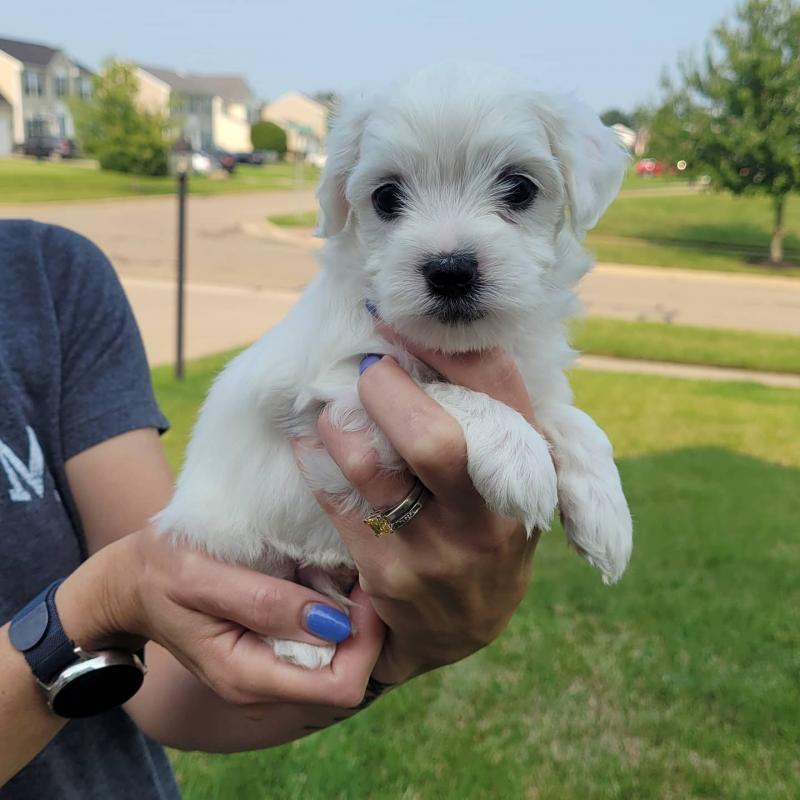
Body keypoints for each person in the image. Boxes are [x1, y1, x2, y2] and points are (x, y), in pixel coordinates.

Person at [0, 219, 540, 798]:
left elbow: (172, 659)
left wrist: (397, 651)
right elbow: (134, 588)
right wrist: (92, 610)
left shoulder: (48, 273)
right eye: (389, 199)